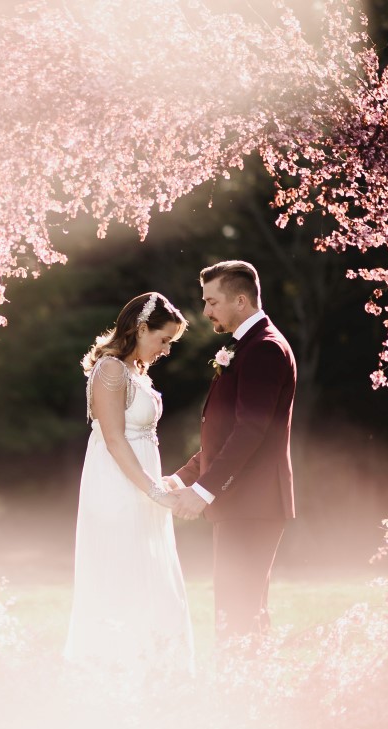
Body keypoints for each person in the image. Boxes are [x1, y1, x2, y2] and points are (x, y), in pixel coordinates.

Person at [64, 292, 195, 674]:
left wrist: (158, 485)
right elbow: (116, 440)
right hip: (116, 490)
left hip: (140, 487)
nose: (167, 349)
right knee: (123, 572)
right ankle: (115, 671)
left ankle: (155, 667)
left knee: (150, 573)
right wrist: (151, 489)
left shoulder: (136, 372)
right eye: (164, 339)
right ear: (141, 329)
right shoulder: (110, 370)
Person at [166, 261, 296, 637]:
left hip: (253, 502)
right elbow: (225, 434)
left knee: (238, 612)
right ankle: (252, 691)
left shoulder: (265, 349)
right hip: (243, 502)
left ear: (240, 300)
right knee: (241, 610)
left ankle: (241, 693)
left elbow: (251, 431)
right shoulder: (248, 347)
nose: (205, 311)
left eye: (212, 302)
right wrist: (181, 479)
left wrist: (203, 492)